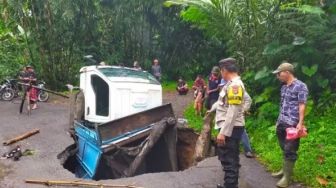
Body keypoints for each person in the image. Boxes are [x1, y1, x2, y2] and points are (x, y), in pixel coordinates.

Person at [206, 58, 248, 188]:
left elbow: (233, 111)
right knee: (231, 157)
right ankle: (230, 184)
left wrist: (223, 133)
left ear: (224, 70)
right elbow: (224, 103)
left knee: (228, 159)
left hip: (230, 128)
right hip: (232, 127)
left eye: (221, 71)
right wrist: (211, 110)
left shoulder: (235, 85)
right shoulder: (231, 84)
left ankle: (230, 185)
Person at [271, 61, 308, 188]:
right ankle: (284, 170)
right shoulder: (284, 87)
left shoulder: (300, 86)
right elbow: (282, 105)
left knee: (290, 149)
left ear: (287, 73)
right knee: (284, 147)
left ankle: (287, 178)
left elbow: (302, 105)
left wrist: (300, 123)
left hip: (292, 124)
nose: (278, 76)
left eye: (279, 73)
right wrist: (277, 121)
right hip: (282, 122)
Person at [219, 78, 255, 158]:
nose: (222, 87)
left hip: (236, 115)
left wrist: (243, 110)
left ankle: (248, 150)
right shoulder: (223, 92)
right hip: (226, 115)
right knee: (225, 131)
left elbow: (248, 100)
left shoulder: (237, 88)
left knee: (242, 132)